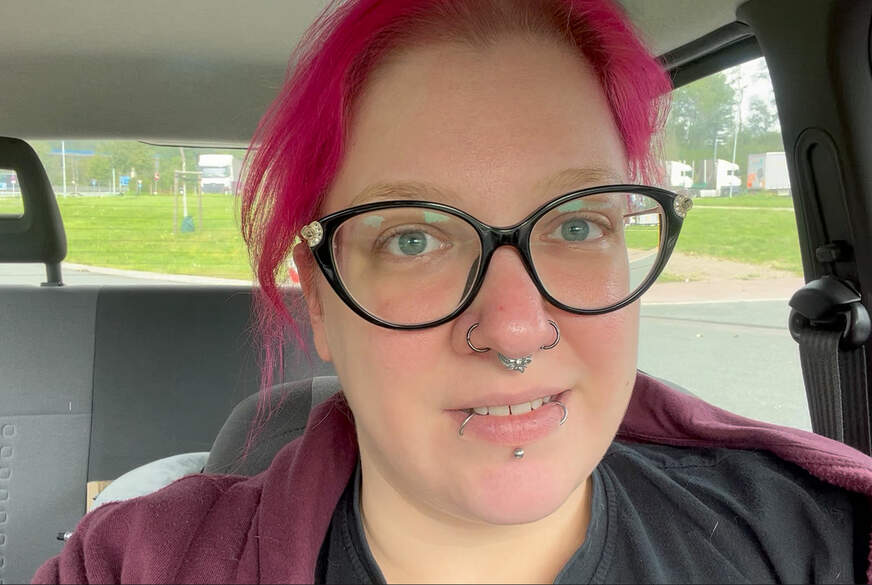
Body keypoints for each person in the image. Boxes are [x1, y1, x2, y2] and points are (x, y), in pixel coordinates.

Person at [33, 0, 872, 583]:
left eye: (578, 224)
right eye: (413, 238)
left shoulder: (811, 538)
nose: (516, 328)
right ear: (318, 300)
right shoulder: (136, 563)